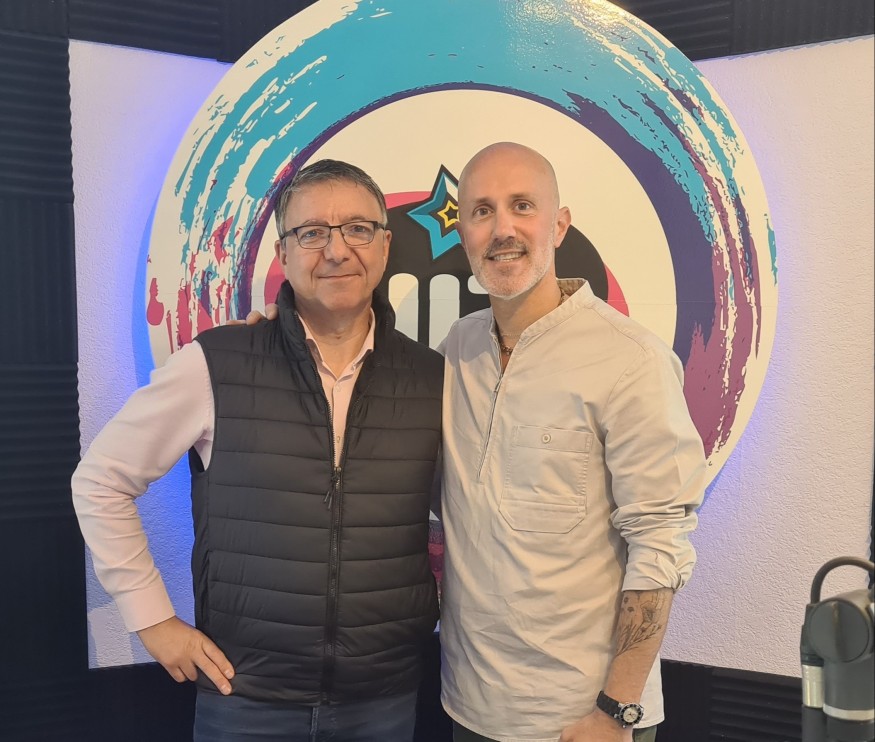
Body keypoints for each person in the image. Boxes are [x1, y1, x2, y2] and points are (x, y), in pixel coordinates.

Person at [72, 159, 444, 741]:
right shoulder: (216, 363)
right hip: (245, 700)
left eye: (358, 229)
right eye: (312, 232)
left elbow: (475, 517)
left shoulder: (432, 378)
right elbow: (100, 481)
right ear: (283, 254)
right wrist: (152, 620)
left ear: (385, 245)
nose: (337, 250)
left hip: (384, 702)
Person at [436, 142, 706, 742]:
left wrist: (616, 710)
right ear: (464, 234)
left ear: (559, 225)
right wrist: (283, 330)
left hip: (582, 720)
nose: (502, 229)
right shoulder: (459, 348)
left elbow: (660, 543)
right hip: (468, 706)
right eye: (481, 210)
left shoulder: (631, 360)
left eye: (522, 205)